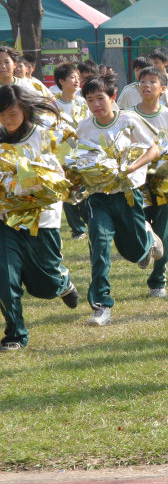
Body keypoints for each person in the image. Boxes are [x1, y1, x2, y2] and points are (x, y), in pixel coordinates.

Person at [76, 72, 164, 326]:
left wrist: (132, 167)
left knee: (135, 252)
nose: (96, 104)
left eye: (100, 98)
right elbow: (78, 158)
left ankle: (147, 235)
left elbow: (154, 149)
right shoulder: (84, 127)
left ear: (113, 97)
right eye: (90, 100)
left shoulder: (128, 119)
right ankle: (101, 305)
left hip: (127, 194)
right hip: (98, 197)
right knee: (99, 246)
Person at [0, 85, 80, 351]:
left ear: (24, 109)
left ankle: (62, 282)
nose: (7, 119)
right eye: (2, 114)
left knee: (44, 284)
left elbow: (64, 169)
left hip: (41, 218)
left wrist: (38, 180)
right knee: (5, 276)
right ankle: (15, 334)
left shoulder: (44, 135)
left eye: (12, 113)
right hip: (6, 218)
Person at [131, 66, 168, 298]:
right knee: (137, 223)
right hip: (136, 182)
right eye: (143, 81)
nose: (146, 85)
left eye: (153, 82)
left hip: (162, 183)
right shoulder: (128, 115)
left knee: (163, 232)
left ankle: (158, 281)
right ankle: (145, 245)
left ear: (163, 89)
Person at [52, 62, 91, 240]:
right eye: (72, 77)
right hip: (62, 155)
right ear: (61, 81)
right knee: (66, 190)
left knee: (84, 188)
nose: (76, 81)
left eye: (77, 77)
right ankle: (77, 228)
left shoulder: (84, 102)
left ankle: (89, 220)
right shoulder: (54, 106)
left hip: (83, 152)